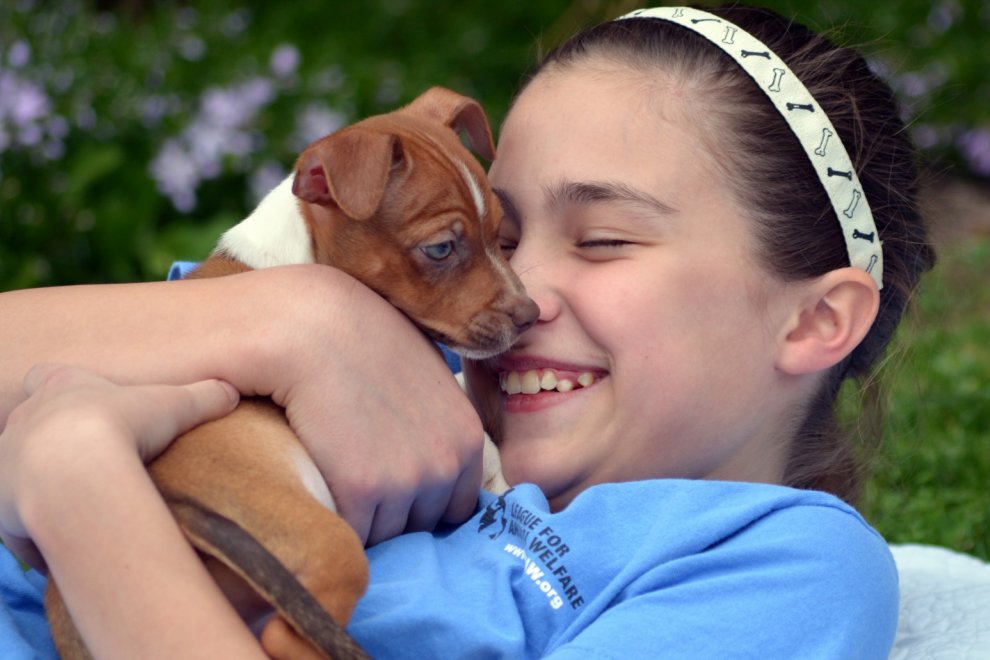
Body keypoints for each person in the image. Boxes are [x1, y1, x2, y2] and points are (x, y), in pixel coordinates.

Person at [0, 4, 935, 658]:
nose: (519, 291)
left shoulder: (775, 563)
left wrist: (87, 501)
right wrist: (287, 317)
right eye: (499, 237)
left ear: (815, 320)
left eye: (604, 239)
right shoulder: (352, 363)